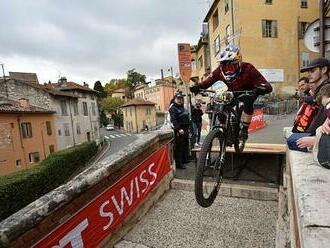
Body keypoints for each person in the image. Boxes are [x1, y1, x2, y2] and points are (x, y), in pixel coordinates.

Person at [190, 44, 272, 140]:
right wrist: (199, 86)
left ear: (239, 62)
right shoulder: (219, 70)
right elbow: (209, 80)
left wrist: (261, 88)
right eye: (226, 68)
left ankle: (244, 129)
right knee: (220, 102)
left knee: (248, 99)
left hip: (248, 92)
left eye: (231, 68)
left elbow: (266, 85)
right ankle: (224, 128)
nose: (228, 71)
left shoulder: (248, 68)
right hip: (232, 93)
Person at [287, 57, 330, 152]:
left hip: (321, 134)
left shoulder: (326, 88)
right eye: (308, 72)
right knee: (292, 139)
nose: (309, 75)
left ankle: (319, 146)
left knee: (292, 141)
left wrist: (317, 141)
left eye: (312, 71)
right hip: (317, 131)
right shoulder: (321, 88)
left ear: (324, 70)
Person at [169, 92, 190, 169]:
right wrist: (178, 129)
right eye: (178, 99)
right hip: (179, 130)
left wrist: (188, 129)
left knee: (185, 146)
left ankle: (184, 160)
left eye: (181, 99)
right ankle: (179, 163)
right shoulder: (173, 108)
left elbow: (186, 118)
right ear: (175, 99)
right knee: (179, 148)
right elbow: (174, 120)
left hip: (185, 129)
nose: (180, 100)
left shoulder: (182, 107)